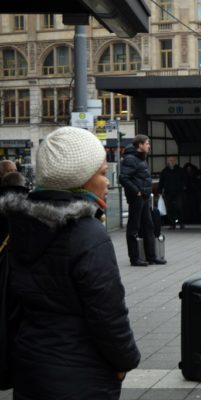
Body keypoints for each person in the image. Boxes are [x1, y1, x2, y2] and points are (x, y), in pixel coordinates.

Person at [0, 126, 140, 399]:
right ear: (80, 180)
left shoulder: (19, 226)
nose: (108, 181)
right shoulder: (88, 234)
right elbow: (108, 315)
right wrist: (125, 361)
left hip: (30, 366)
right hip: (81, 374)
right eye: (101, 173)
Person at [119, 135, 167, 266]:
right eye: (147, 143)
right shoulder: (131, 159)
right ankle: (134, 259)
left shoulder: (141, 159)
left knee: (149, 226)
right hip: (137, 198)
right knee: (133, 228)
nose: (149, 146)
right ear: (139, 145)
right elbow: (123, 178)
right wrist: (137, 191)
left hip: (144, 197)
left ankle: (151, 256)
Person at [158, 156, 186, 230]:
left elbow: (184, 180)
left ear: (175, 161)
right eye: (170, 160)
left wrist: (183, 187)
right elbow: (161, 182)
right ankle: (172, 224)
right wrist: (160, 191)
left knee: (179, 208)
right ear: (167, 162)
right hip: (168, 193)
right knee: (169, 209)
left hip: (178, 192)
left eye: (173, 160)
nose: (171, 161)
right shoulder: (164, 171)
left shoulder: (180, 170)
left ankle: (181, 223)